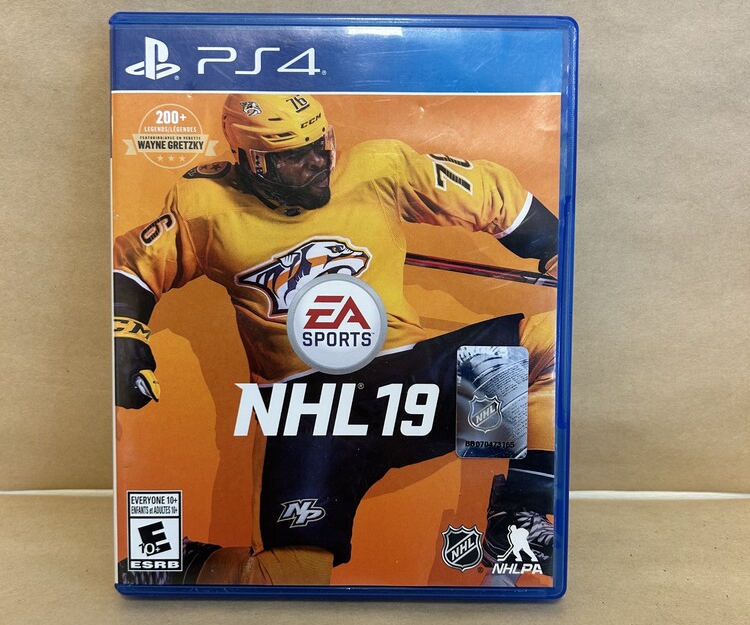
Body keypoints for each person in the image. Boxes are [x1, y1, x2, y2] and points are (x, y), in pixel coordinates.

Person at [115, 93, 558, 586]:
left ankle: (517, 517)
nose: (318, 162)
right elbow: (132, 264)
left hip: (409, 382)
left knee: (554, 342)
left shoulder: (377, 168)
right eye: (293, 156)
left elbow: (491, 193)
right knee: (289, 585)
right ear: (251, 159)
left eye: (321, 144)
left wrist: (553, 246)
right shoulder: (204, 204)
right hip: (308, 410)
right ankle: (183, 565)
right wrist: (124, 333)